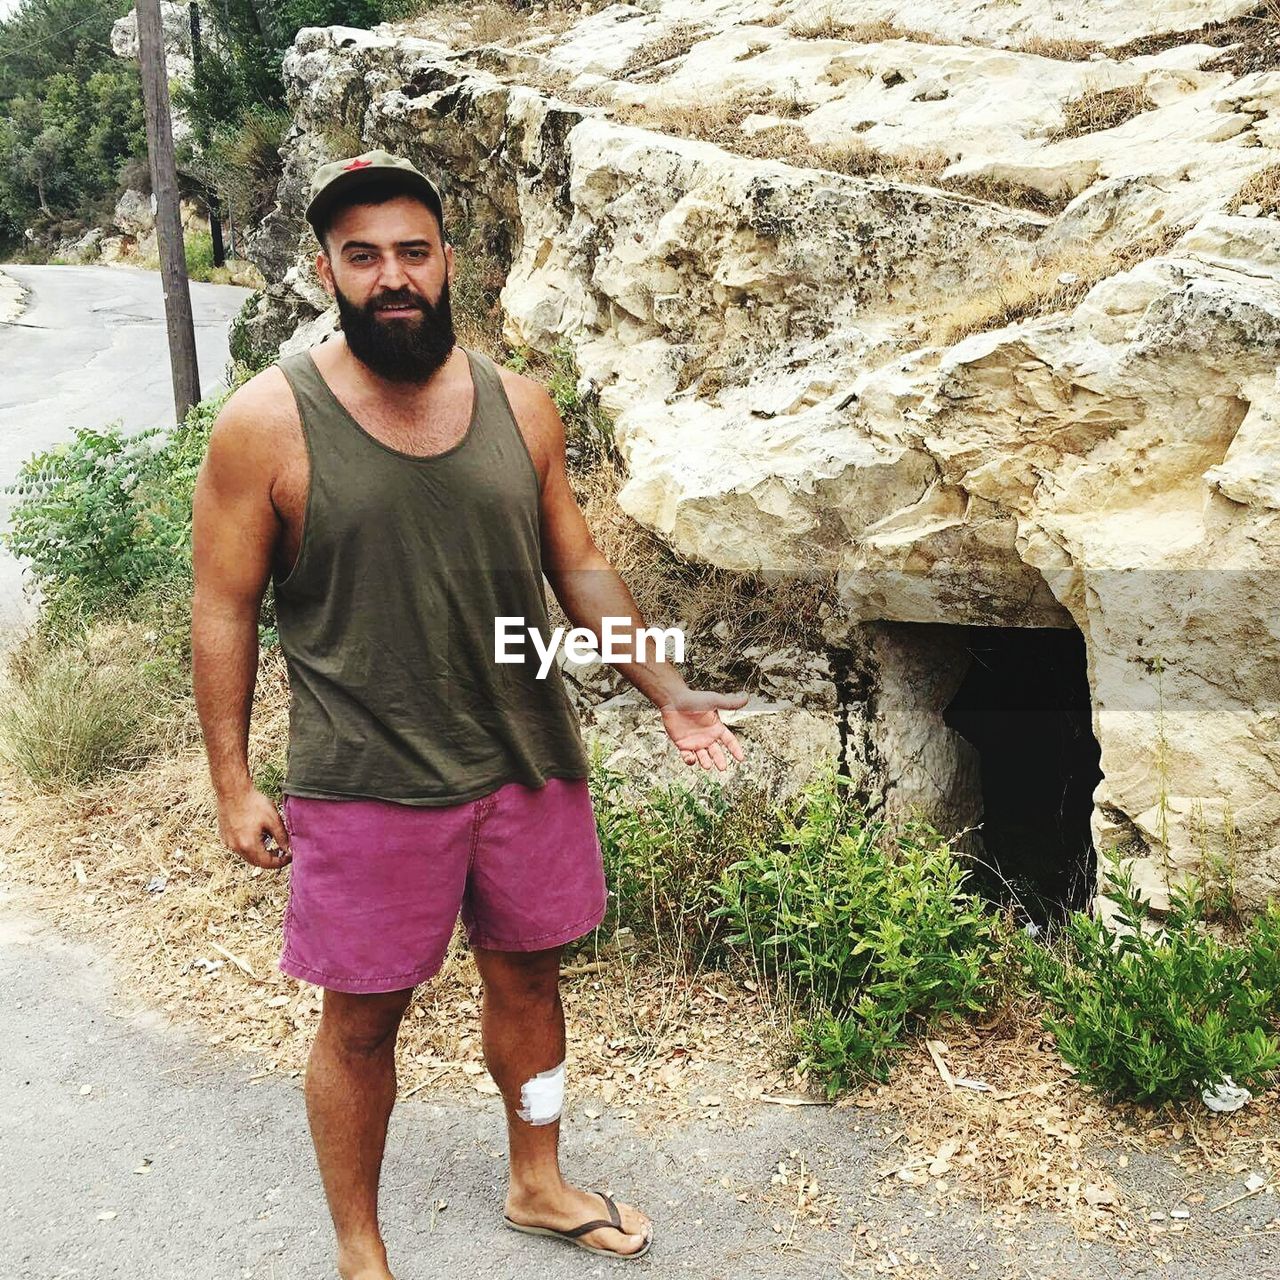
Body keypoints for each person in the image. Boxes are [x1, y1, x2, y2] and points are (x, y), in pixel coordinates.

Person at [191, 149, 749, 1279]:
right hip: (364, 779)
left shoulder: (519, 405)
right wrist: (234, 779)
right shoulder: (266, 422)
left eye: (411, 250)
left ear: (447, 261)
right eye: (362, 256)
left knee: (531, 980)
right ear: (327, 269)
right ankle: (361, 1252)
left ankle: (536, 1177)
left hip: (526, 761)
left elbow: (578, 567)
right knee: (359, 1022)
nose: (391, 276)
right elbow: (223, 606)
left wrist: (667, 686)